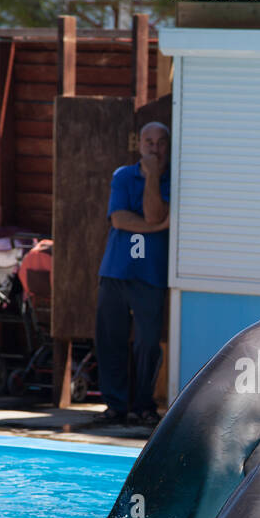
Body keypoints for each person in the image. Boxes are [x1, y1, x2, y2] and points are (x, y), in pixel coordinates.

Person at [93, 121, 171, 427]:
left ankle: (143, 405)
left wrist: (152, 177)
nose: (154, 147)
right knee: (110, 338)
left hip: (150, 274)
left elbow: (151, 213)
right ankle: (115, 405)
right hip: (116, 270)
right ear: (138, 144)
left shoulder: (171, 178)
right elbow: (120, 219)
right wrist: (156, 227)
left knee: (148, 343)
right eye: (148, 141)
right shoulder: (122, 176)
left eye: (160, 142)